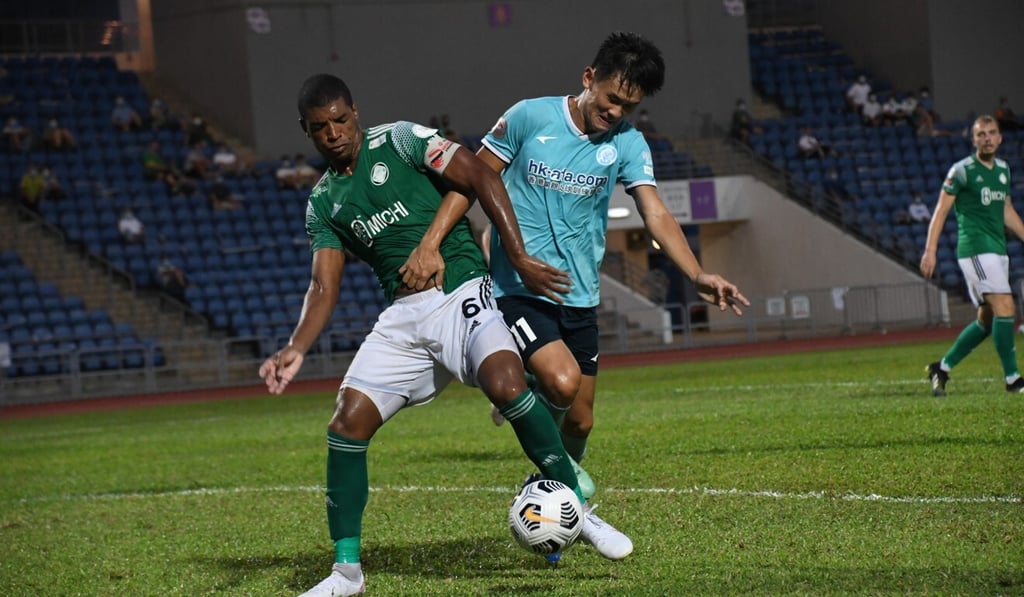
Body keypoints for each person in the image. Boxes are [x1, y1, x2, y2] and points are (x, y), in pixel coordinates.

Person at [259, 73, 632, 597]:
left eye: (341, 120)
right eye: (321, 128)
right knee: (346, 425)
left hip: (462, 291)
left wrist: (518, 257)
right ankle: (346, 573)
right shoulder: (323, 201)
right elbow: (323, 284)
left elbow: (482, 175)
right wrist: (296, 346)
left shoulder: (402, 140)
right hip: (404, 317)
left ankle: (578, 508)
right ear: (307, 132)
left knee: (506, 384)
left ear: (355, 111)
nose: (335, 133)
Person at [470, 32, 747, 507]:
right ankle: (566, 489)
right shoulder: (529, 117)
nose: (616, 111)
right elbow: (473, 175)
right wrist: (449, 244)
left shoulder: (628, 143)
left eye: (629, 105)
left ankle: (555, 496)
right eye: (612, 98)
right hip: (519, 284)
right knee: (562, 381)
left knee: (581, 421)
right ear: (588, 78)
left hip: (579, 296)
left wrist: (697, 273)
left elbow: (654, 212)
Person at [920, 115, 1024, 396]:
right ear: (974, 139)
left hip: (997, 250)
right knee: (1006, 307)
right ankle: (1013, 379)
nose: (987, 138)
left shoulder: (1003, 170)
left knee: (987, 322)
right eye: (982, 134)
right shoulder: (962, 170)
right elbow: (941, 211)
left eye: (992, 133)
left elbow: (1006, 210)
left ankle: (941, 368)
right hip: (975, 250)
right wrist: (930, 251)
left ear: (1000, 138)